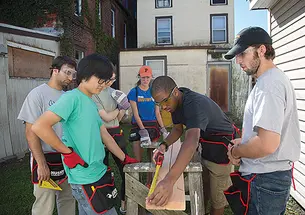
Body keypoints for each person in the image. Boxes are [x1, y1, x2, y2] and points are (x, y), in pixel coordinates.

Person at [31, 54, 138, 215]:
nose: (104, 85)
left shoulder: (91, 102)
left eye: (106, 80)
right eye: (101, 80)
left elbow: (105, 136)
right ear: (86, 75)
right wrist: (67, 153)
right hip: (84, 176)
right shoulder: (71, 98)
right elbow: (40, 126)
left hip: (99, 171)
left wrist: (124, 158)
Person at [223, 26, 301, 215]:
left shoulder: (269, 85)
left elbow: (266, 145)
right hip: (268, 177)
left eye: (242, 53)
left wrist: (236, 151)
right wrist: (245, 141)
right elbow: (270, 134)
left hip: (265, 179)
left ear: (262, 50)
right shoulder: (271, 80)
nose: (238, 60)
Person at [148, 76, 238, 215]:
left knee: (218, 197)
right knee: (205, 183)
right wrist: (163, 145)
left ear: (175, 92)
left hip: (222, 146)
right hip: (207, 144)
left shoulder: (194, 104)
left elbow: (191, 141)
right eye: (159, 104)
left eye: (165, 101)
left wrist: (169, 181)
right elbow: (177, 129)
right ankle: (203, 211)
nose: (164, 107)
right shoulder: (175, 104)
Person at [17, 56, 77, 215]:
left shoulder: (69, 97)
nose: (71, 78)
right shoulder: (37, 94)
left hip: (66, 156)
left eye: (73, 74)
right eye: (67, 73)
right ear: (55, 71)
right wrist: (41, 163)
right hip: (45, 156)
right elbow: (30, 132)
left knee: (68, 200)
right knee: (44, 205)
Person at [93, 79, 130, 214]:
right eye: (109, 78)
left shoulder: (115, 92)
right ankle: (103, 203)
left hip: (116, 132)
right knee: (102, 171)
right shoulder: (94, 93)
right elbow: (106, 118)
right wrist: (119, 108)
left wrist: (122, 109)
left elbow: (117, 119)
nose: (111, 81)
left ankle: (124, 204)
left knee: (125, 169)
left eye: (113, 78)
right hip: (100, 134)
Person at [127, 65, 167, 185]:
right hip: (138, 126)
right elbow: (136, 113)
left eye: (148, 78)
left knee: (152, 158)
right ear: (139, 77)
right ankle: (136, 184)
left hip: (152, 127)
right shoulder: (134, 92)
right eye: (143, 78)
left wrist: (163, 129)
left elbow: (157, 113)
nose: (145, 80)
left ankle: (150, 183)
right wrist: (142, 131)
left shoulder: (154, 92)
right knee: (138, 160)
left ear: (151, 77)